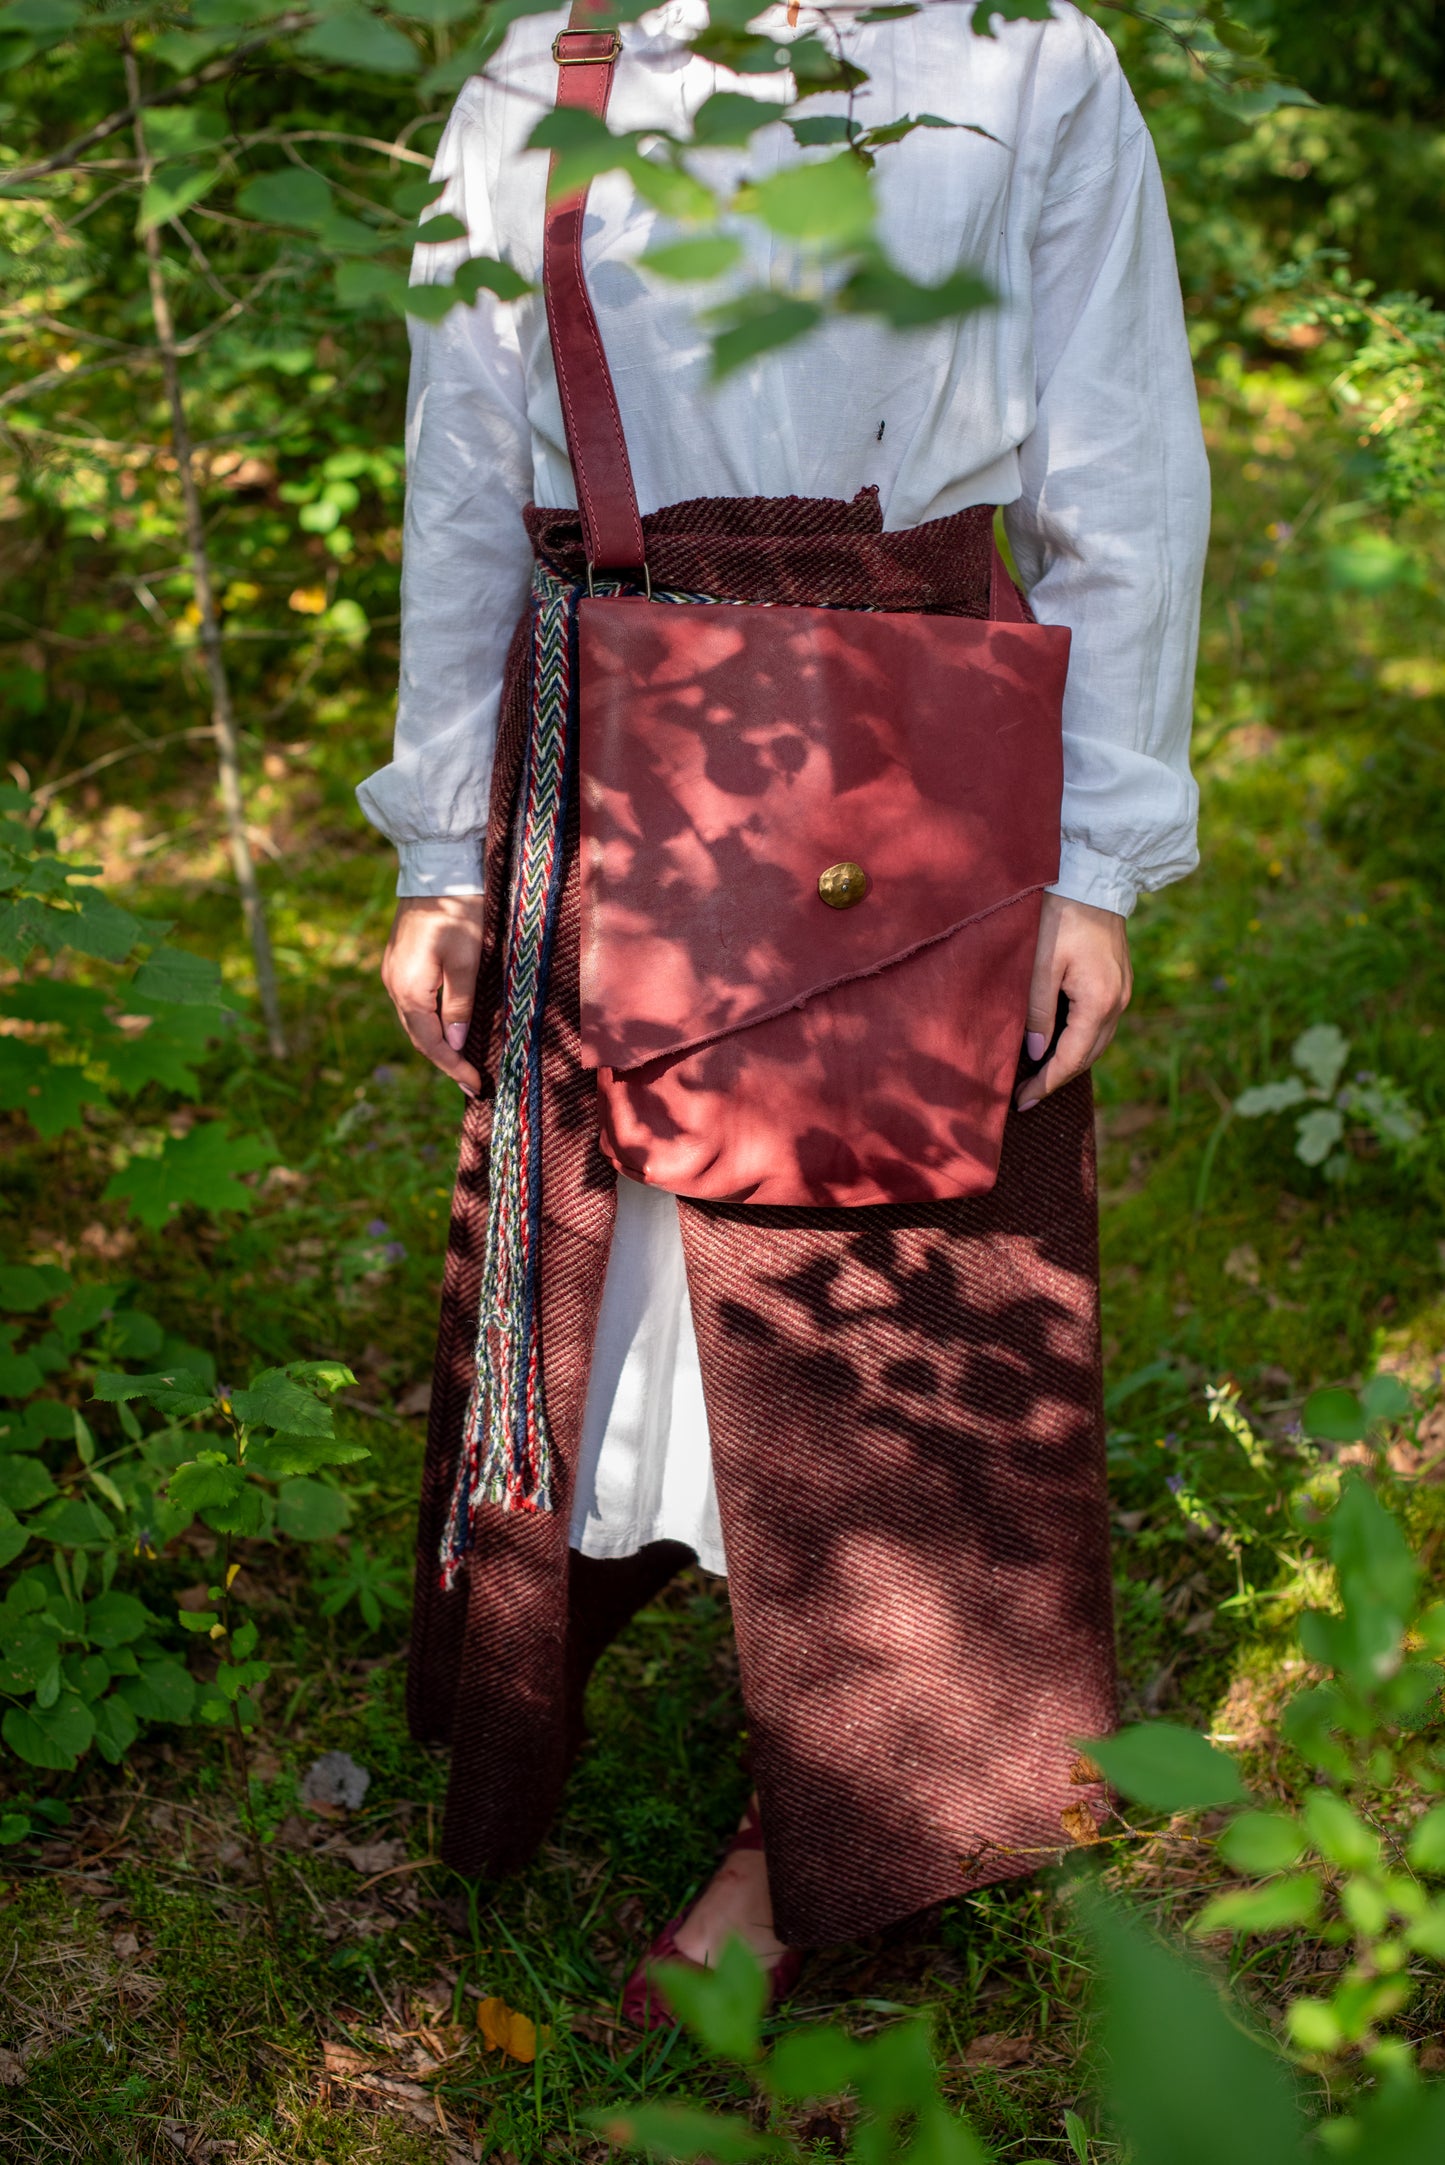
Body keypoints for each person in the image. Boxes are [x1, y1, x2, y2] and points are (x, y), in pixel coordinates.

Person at [358, 0, 1208, 2016]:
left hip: (908, 750)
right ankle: (640, 1677)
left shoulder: (1026, 61)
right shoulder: (546, 74)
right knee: (627, 1283)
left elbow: (1120, 467)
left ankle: (847, 1811)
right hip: (611, 760)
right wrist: (438, 851)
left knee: (879, 1299)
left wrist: (1094, 858)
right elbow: (468, 468)